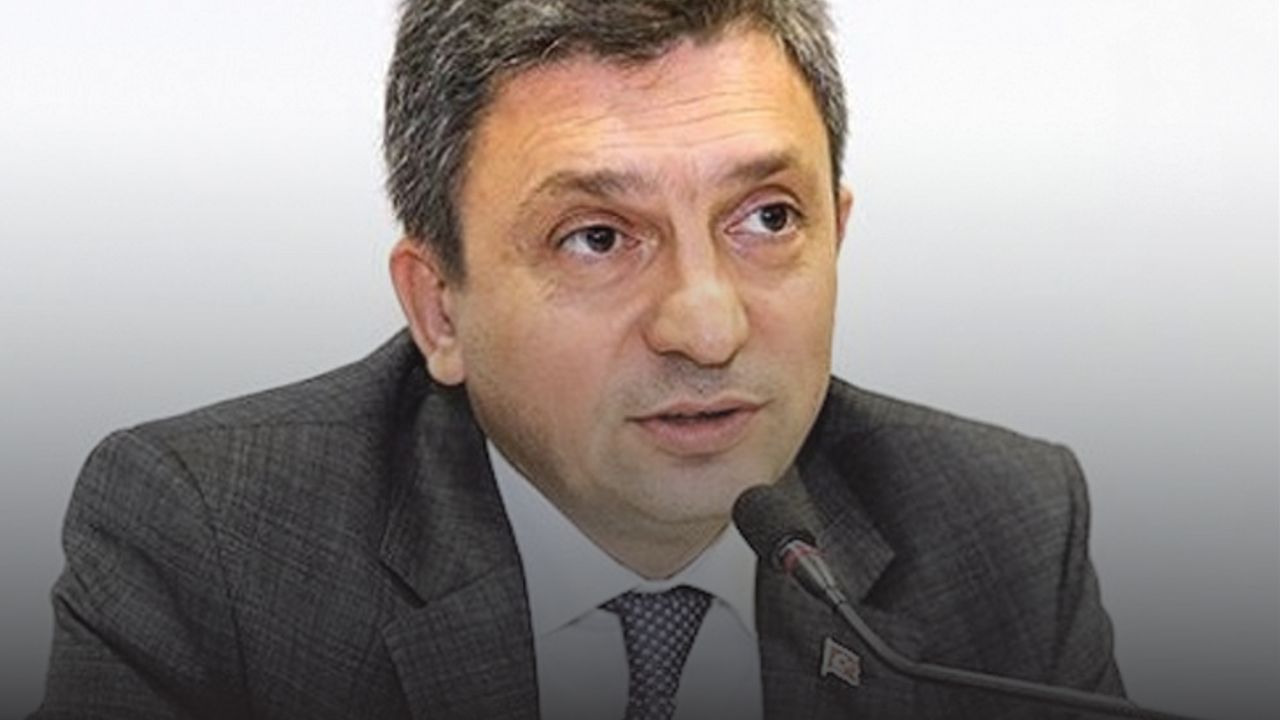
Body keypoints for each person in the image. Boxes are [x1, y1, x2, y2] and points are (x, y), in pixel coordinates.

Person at [32, 1, 1124, 719]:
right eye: (597, 237)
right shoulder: (217, 547)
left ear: (837, 232)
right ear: (439, 310)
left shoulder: (1003, 532)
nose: (706, 328)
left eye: (766, 218)